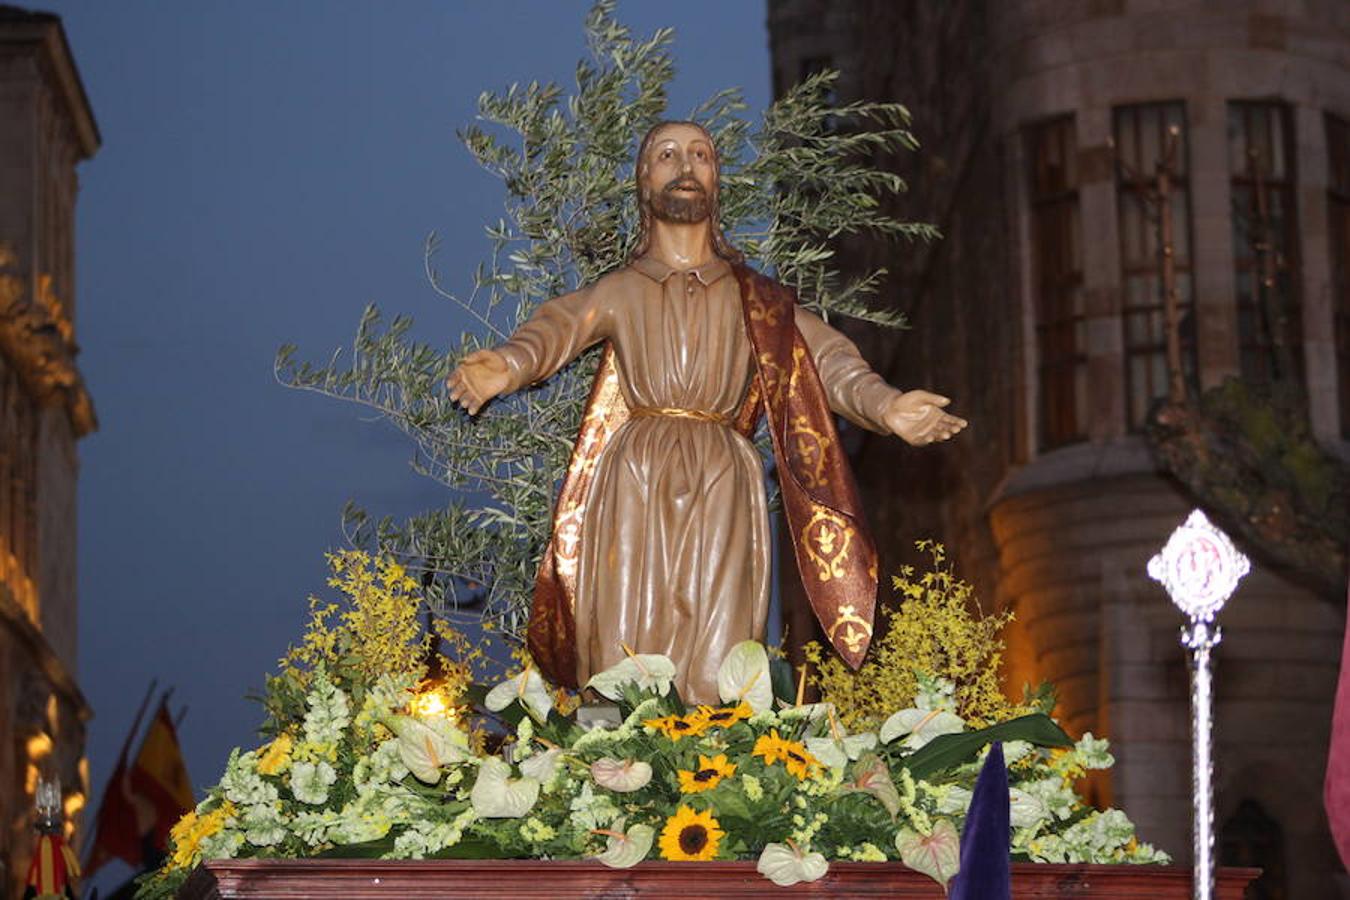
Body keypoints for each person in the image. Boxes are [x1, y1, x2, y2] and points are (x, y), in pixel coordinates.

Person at [449, 121, 965, 703]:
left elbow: (830, 362)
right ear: (644, 182)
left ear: (716, 181)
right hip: (635, 476)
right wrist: (508, 365)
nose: (686, 167)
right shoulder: (621, 290)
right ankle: (612, 748)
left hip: (723, 478)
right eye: (667, 156)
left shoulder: (759, 301)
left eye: (700, 155)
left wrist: (888, 407)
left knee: (720, 646)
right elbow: (557, 328)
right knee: (624, 630)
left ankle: (718, 759)